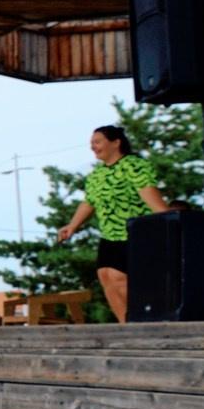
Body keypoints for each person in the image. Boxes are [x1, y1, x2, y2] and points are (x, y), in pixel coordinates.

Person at [55, 123, 171, 322]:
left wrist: (167, 219)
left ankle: (143, 319)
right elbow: (89, 202)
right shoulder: (96, 175)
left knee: (119, 277)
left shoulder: (133, 165)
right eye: (91, 143)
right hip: (110, 233)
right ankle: (125, 323)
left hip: (135, 231)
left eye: (98, 141)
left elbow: (150, 194)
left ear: (116, 143)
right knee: (106, 276)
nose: (93, 146)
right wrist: (72, 226)